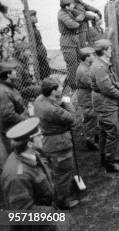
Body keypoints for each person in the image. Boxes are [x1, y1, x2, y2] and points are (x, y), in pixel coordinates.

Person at [33, 77, 79, 209]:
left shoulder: (39, 100)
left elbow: (53, 107)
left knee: (56, 171)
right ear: (53, 91)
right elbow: (72, 118)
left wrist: (58, 101)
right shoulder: (53, 110)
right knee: (64, 173)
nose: (62, 88)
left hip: (48, 141)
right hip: (59, 144)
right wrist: (67, 101)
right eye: (59, 87)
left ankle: (57, 194)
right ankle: (63, 202)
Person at [1, 118, 56, 219]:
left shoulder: (31, 153)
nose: (42, 136)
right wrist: (51, 213)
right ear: (30, 144)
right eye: (39, 135)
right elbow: (24, 213)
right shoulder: (17, 177)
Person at [90, 38, 119, 172]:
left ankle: (104, 158)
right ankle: (109, 163)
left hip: (104, 101)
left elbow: (111, 79)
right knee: (114, 132)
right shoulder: (99, 67)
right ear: (105, 51)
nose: (111, 50)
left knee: (104, 132)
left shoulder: (103, 63)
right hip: (104, 102)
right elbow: (106, 88)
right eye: (110, 48)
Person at [0, 61, 26, 168]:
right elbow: (8, 114)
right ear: (8, 74)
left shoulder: (8, 87)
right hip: (12, 131)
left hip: (14, 128)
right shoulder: (4, 91)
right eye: (14, 71)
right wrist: (25, 121)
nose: (17, 72)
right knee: (17, 156)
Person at [75, 46, 98, 151]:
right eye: (92, 55)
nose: (94, 56)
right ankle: (90, 142)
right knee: (90, 119)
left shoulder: (86, 66)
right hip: (86, 97)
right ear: (87, 57)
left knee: (94, 117)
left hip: (89, 95)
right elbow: (92, 84)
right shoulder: (83, 70)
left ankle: (95, 137)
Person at [58, 0, 83, 91]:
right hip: (67, 41)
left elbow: (82, 14)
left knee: (78, 62)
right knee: (72, 65)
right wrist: (78, 21)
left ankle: (77, 82)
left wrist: (78, 17)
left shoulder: (69, 11)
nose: (73, 5)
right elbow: (72, 25)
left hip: (73, 39)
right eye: (72, 4)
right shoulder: (62, 14)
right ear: (67, 6)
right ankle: (73, 86)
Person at [28, 10, 51, 79]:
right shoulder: (30, 29)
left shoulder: (34, 27)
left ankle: (47, 78)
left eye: (35, 16)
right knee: (42, 66)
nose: (36, 18)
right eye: (34, 16)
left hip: (41, 48)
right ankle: (44, 79)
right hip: (38, 49)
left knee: (45, 65)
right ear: (30, 18)